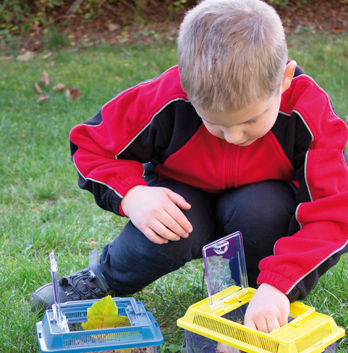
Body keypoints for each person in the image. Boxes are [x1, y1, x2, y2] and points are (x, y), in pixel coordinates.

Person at [30, 0, 348, 333]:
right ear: (187, 86)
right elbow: (91, 142)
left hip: (262, 206)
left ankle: (257, 294)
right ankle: (106, 277)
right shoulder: (167, 98)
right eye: (215, 123)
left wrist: (279, 284)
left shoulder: (309, 115)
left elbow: (332, 210)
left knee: (260, 208)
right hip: (184, 197)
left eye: (251, 120)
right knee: (162, 229)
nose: (233, 136)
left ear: (283, 79)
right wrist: (132, 195)